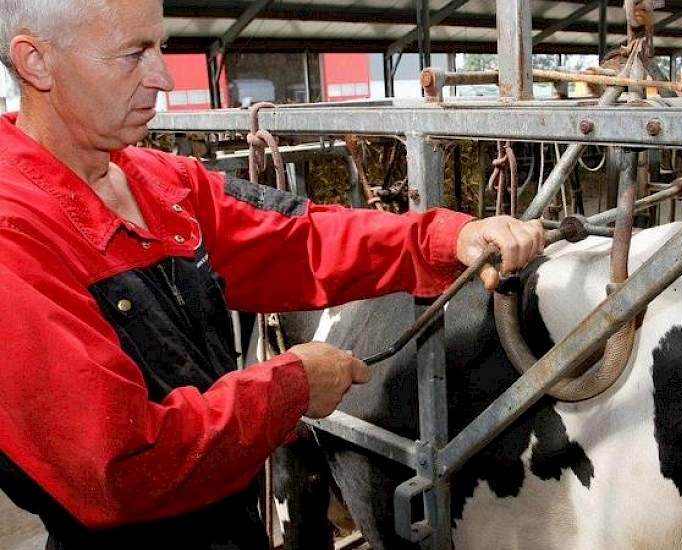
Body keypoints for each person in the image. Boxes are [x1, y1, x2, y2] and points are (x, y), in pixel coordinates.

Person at [0, 1, 546, 548]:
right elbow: (117, 467)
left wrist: (445, 237)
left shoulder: (163, 182)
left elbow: (297, 241)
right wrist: (291, 387)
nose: (163, 78)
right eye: (132, 54)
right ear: (36, 62)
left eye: (160, 47)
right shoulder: (14, 235)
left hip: (230, 521)